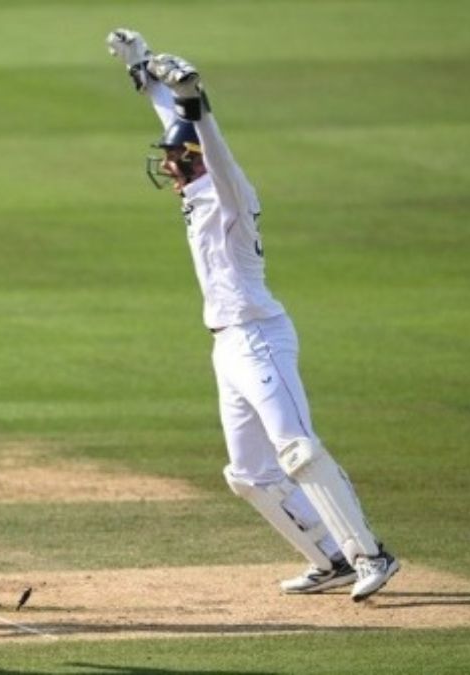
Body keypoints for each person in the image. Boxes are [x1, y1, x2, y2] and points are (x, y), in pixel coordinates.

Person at [106, 28, 400, 601]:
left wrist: (198, 104)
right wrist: (143, 72)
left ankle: (371, 555)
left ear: (196, 162)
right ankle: (330, 558)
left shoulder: (232, 198)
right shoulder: (195, 196)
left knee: (298, 449)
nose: (166, 166)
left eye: (174, 158)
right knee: (248, 475)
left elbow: (213, 150)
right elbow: (183, 129)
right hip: (226, 343)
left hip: (260, 337)